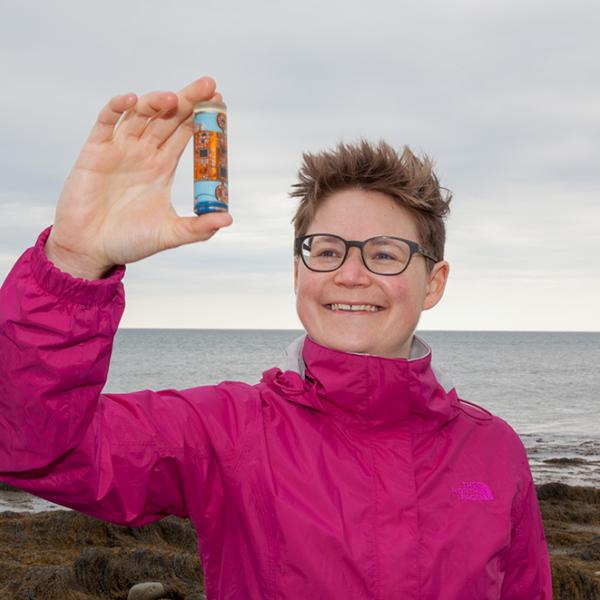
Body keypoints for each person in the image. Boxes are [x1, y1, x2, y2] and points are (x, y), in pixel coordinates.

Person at [0, 75, 552, 599]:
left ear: (433, 282)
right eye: (328, 250)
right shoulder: (227, 433)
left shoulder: (494, 450)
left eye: (384, 253)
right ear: (297, 275)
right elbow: (34, 449)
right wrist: (72, 262)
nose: (351, 274)